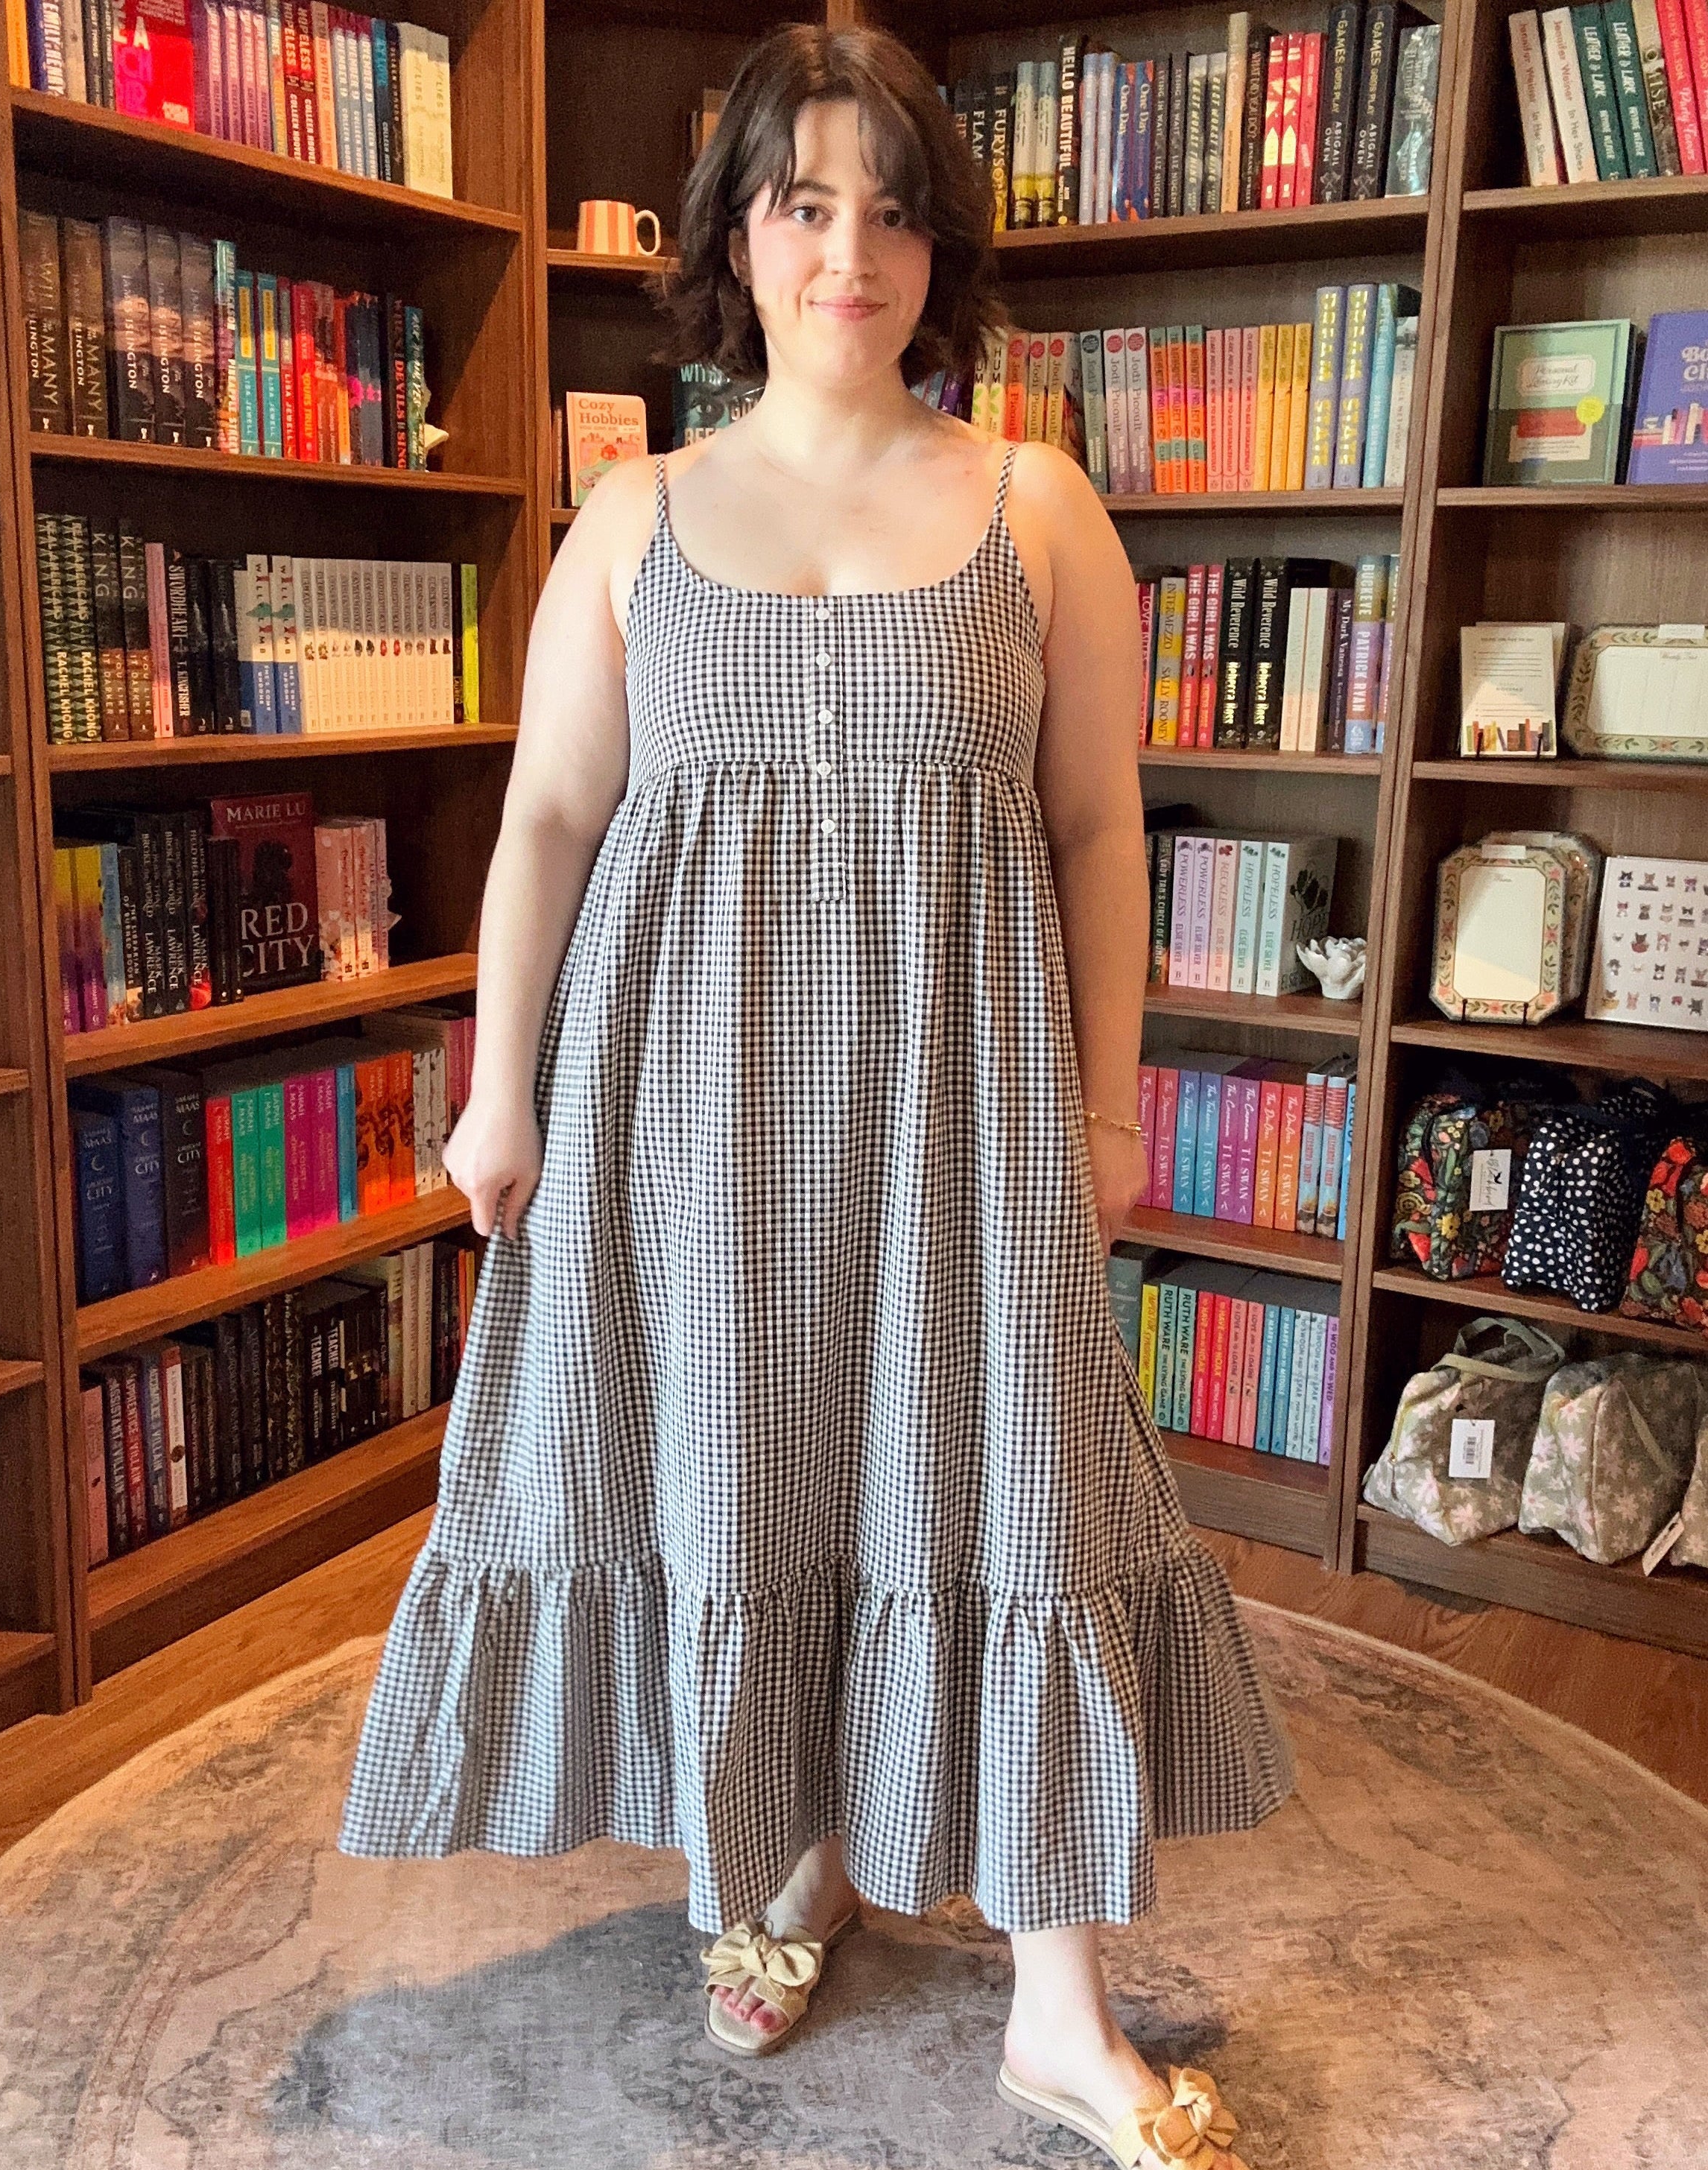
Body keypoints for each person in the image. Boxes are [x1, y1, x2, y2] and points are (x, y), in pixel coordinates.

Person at [337, 22, 1294, 2168]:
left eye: (888, 204)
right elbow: (550, 824)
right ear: (733, 235)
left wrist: (1113, 1110)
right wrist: (501, 1098)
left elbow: (1098, 837)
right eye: (800, 199)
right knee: (744, 1486)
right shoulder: (634, 510)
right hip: (678, 1113)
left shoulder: (1034, 505)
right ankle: (784, 1856)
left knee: (1007, 1497)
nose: (844, 246)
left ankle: (1054, 2003)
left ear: (936, 242)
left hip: (959, 1109)